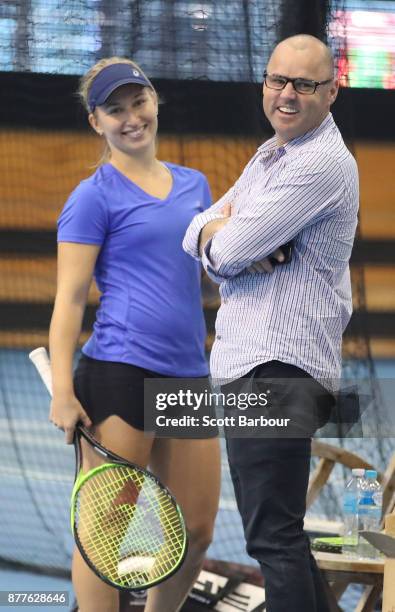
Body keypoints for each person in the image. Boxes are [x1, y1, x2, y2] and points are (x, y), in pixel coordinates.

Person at [183, 35, 359, 612]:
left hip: (276, 371)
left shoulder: (318, 162)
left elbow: (229, 252)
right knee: (281, 535)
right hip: (253, 369)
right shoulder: (270, 155)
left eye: (304, 85)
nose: (287, 94)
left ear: (331, 92)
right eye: (277, 80)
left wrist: (224, 241)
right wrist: (217, 235)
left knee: (273, 539)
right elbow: (202, 230)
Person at [48, 57, 222, 612]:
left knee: (195, 531)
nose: (131, 118)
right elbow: (70, 299)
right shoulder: (92, 197)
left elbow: (217, 263)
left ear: (154, 103)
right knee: (108, 538)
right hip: (120, 373)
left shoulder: (196, 185)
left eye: (137, 103)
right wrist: (61, 390)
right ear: (96, 121)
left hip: (188, 375)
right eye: (114, 110)